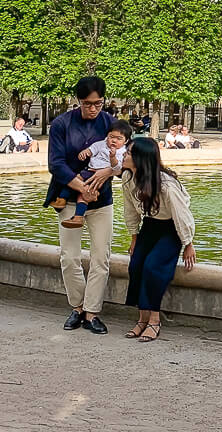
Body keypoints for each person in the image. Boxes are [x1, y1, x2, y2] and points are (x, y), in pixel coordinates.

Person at [43, 76, 117, 334]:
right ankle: (77, 307)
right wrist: (81, 186)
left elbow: (126, 155)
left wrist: (108, 171)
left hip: (102, 198)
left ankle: (92, 312)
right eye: (87, 103)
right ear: (78, 101)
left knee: (101, 257)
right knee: (69, 257)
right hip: (69, 196)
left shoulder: (110, 123)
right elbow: (56, 163)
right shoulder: (62, 123)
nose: (93, 108)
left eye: (98, 103)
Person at [122, 137, 196, 342]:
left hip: (170, 228)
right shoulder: (128, 178)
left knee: (153, 267)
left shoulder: (166, 185)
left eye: (128, 153)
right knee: (136, 265)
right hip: (150, 226)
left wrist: (188, 243)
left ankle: (154, 320)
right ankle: (142, 318)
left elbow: (182, 214)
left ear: (140, 159)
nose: (124, 155)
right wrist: (134, 236)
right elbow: (130, 210)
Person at [56, 120, 133, 228]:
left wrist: (112, 158)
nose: (114, 141)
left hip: (101, 177)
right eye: (111, 137)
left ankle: (78, 216)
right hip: (89, 170)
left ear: (126, 141)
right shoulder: (101, 144)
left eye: (119, 138)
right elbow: (92, 149)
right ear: (107, 135)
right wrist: (85, 153)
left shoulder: (122, 152)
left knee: (84, 194)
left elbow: (118, 167)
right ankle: (61, 200)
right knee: (73, 180)